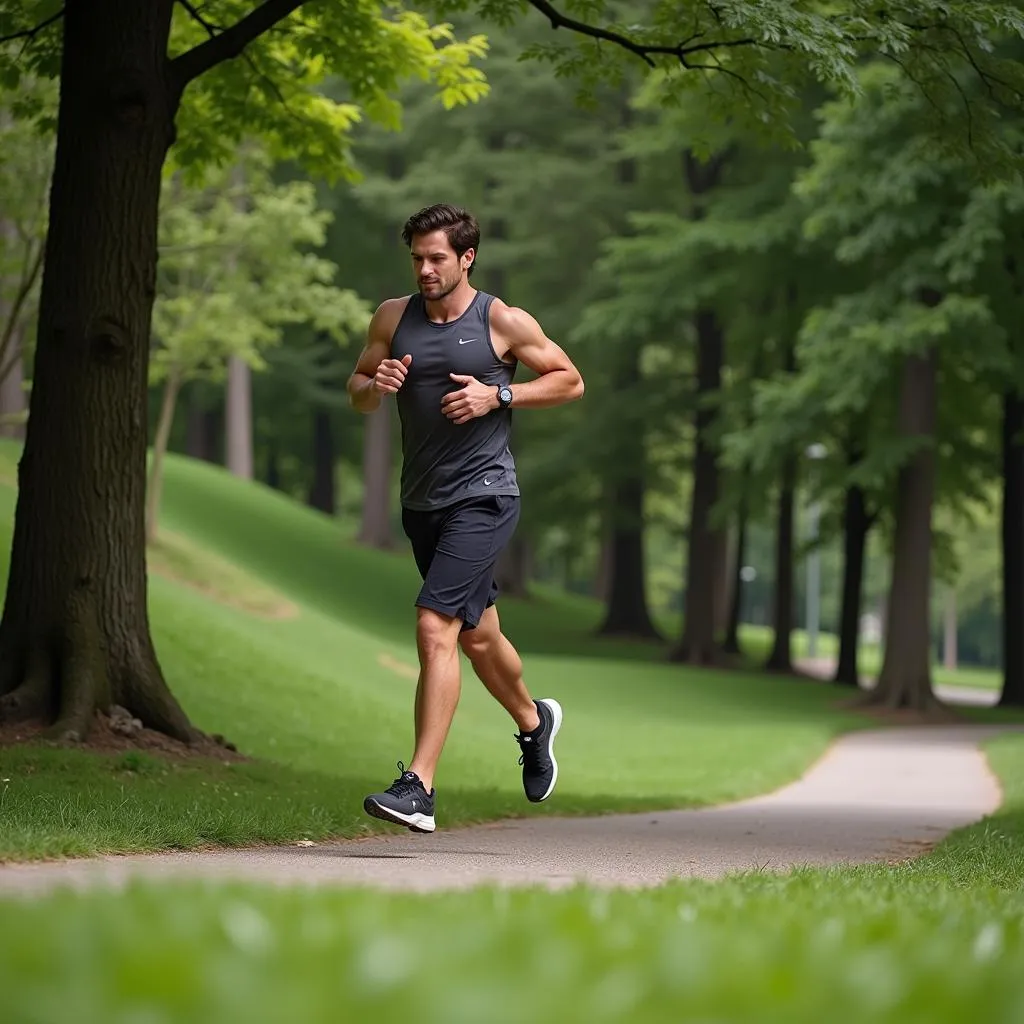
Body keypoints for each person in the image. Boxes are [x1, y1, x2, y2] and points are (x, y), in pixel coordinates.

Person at [346, 203, 585, 834]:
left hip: (485, 494)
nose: (424, 270)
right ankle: (535, 723)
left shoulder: (500, 321)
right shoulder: (392, 318)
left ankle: (419, 787)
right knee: (477, 638)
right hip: (422, 501)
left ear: (466, 258)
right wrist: (379, 384)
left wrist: (499, 393)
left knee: (434, 627)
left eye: (437, 259)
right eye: (417, 259)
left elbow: (569, 380)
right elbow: (359, 389)